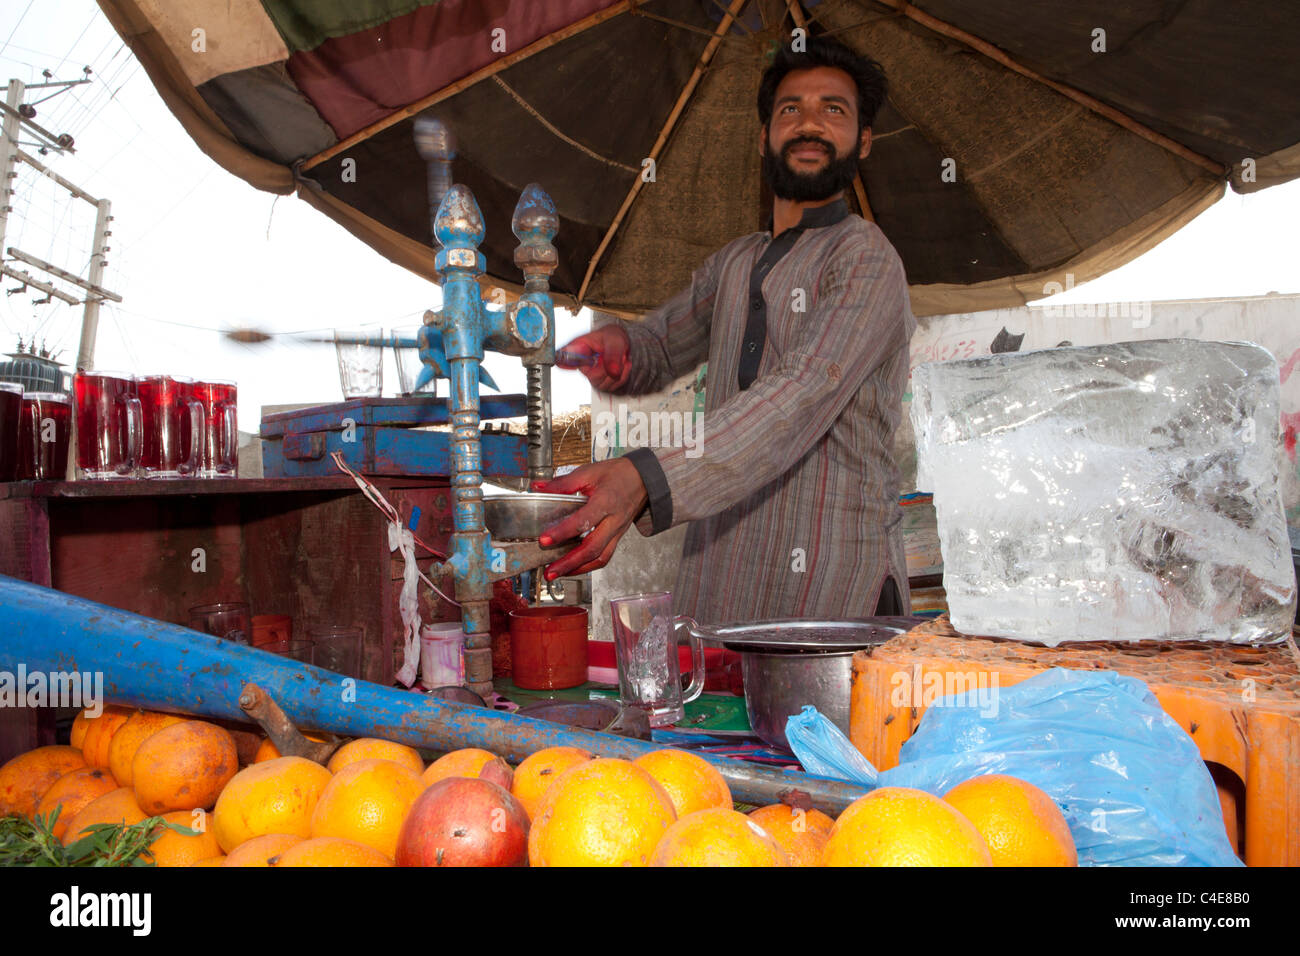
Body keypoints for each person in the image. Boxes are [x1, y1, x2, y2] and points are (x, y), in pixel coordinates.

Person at [535, 36, 916, 623]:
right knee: (707, 707)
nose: (809, 124)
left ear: (863, 140)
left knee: (821, 718)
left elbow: (803, 389)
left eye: (833, 109)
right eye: (791, 109)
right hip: (723, 573)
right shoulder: (734, 262)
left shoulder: (867, 257)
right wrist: (622, 351)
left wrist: (648, 475)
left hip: (833, 577)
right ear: (763, 136)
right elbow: (662, 345)